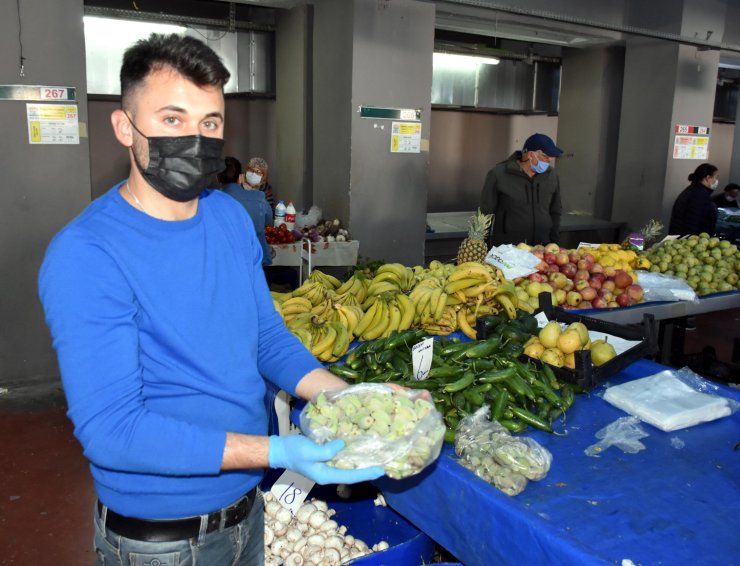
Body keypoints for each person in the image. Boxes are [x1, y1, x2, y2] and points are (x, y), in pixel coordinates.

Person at [38, 33, 382, 566]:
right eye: (172, 119)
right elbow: (113, 431)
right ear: (124, 127)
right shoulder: (86, 254)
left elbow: (265, 337)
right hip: (162, 538)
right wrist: (277, 451)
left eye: (210, 123)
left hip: (247, 510)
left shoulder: (228, 218)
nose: (195, 138)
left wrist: (347, 398)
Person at [480, 133, 563, 246]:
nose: (549, 160)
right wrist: (481, 246)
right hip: (508, 249)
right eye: (545, 156)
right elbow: (485, 213)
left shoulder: (552, 175)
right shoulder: (498, 174)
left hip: (543, 248)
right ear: (530, 155)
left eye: (551, 157)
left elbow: (555, 210)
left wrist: (554, 242)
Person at [218, 156, 273, 266]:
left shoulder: (211, 202)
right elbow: (269, 223)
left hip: (227, 263)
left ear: (217, 178)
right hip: (257, 261)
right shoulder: (259, 198)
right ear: (240, 177)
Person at [668, 163, 719, 236]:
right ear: (708, 178)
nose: (716, 181)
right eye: (716, 177)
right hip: (689, 240)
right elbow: (694, 221)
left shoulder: (694, 190)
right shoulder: (699, 194)